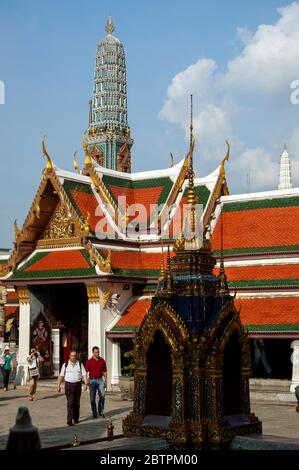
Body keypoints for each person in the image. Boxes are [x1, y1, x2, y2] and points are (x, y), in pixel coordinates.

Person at [57, 350, 88, 426]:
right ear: (69, 356)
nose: (73, 357)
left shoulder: (80, 364)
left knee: (77, 403)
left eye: (74, 356)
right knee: (70, 402)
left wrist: (86, 384)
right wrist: (58, 385)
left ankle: (76, 418)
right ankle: (69, 420)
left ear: (76, 356)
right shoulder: (65, 365)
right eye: (72, 356)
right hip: (68, 385)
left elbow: (84, 375)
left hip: (77, 385)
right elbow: (61, 376)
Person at [85, 346, 107, 419]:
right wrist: (86, 380)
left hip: (100, 380)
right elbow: (85, 371)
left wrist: (105, 380)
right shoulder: (89, 361)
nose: (97, 353)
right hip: (92, 381)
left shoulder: (102, 361)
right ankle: (94, 413)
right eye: (96, 352)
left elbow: (105, 371)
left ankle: (100, 412)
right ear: (93, 353)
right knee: (92, 398)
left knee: (102, 396)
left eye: (98, 352)